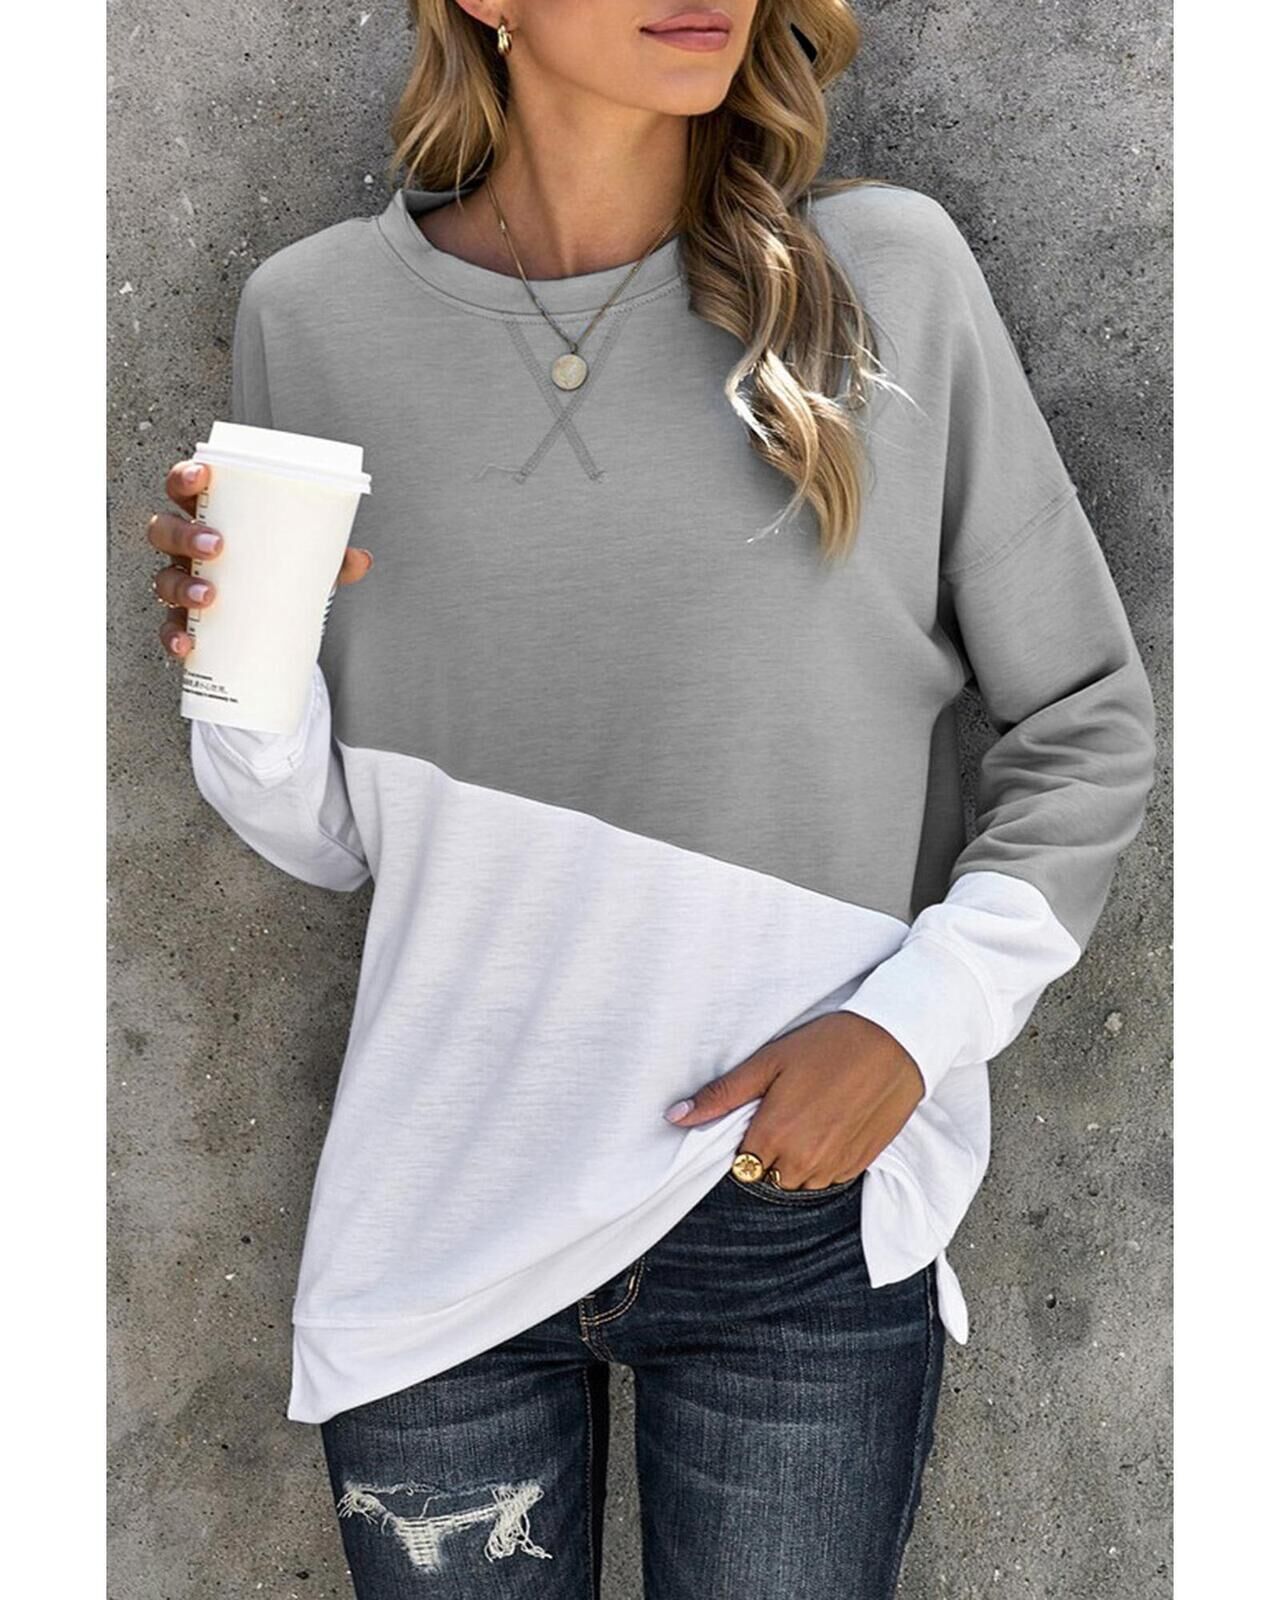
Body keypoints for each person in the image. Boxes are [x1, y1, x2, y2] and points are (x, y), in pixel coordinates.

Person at [144, 4, 1158, 1595]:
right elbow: (333, 841)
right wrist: (236, 663)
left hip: (788, 1220)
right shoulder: (316, 315)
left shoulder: (885, 276)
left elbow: (1084, 716)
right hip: (443, 1220)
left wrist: (914, 1025)